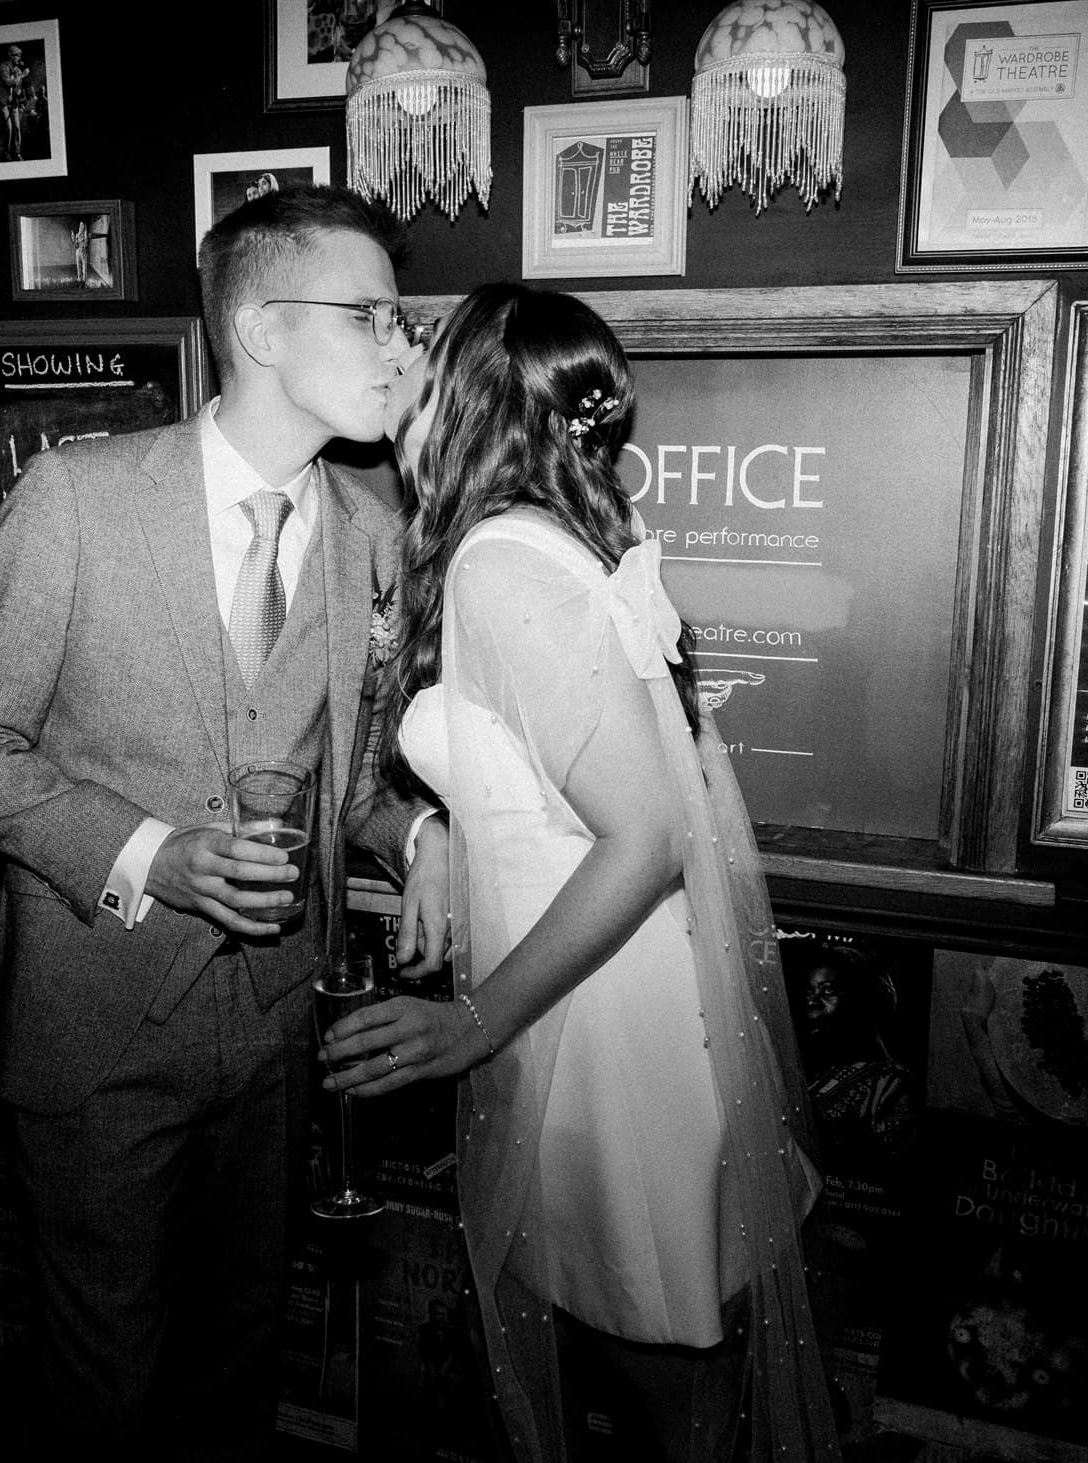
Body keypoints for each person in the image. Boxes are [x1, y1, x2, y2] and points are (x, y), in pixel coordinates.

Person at [0, 183, 449, 1459]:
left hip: (271, 1033)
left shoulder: (373, 531)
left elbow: (351, 775)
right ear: (262, 329)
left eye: (403, 319)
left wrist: (419, 836)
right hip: (95, 1040)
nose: (402, 347)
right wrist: (155, 852)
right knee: (101, 1382)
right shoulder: (79, 499)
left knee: (236, 1362)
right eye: (372, 316)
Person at [318, 283, 839, 1463]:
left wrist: (468, 1021)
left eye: (423, 351)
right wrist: (435, 835)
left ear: (464, 392)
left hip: (596, 1030)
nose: (401, 365)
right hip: (610, 1000)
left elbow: (647, 835)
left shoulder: (502, 562)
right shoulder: (549, 542)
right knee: (667, 1371)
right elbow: (538, 776)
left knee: (666, 1378)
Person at [791, 942, 917, 1172]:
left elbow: (892, 1171)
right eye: (809, 992)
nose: (811, 1002)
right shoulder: (817, 1072)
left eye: (827, 991)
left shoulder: (893, 1083)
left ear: (860, 999)